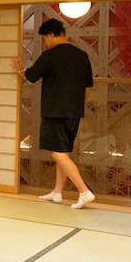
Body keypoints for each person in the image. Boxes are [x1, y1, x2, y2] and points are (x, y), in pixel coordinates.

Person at [11, 18, 95, 209]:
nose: (45, 42)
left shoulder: (50, 55)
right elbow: (88, 87)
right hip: (74, 112)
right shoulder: (82, 55)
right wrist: (77, 106)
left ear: (50, 35)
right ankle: (57, 192)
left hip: (55, 111)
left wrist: (20, 70)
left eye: (44, 38)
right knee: (63, 152)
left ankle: (84, 191)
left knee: (57, 154)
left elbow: (31, 76)